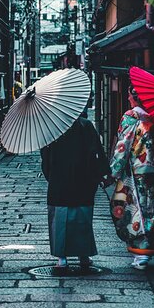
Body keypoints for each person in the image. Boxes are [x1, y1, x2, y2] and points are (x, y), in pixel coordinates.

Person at [41, 109, 110, 268]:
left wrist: (51, 176)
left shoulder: (52, 128)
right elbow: (96, 153)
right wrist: (100, 175)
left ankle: (62, 259)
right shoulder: (85, 125)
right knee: (82, 218)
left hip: (59, 182)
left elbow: (45, 157)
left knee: (60, 218)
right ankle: (83, 256)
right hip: (83, 180)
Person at [109, 85, 154, 270]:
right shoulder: (153, 117)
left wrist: (114, 170)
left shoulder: (131, 117)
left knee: (134, 210)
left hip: (135, 170)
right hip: (153, 170)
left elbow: (123, 145)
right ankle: (145, 250)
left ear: (133, 98)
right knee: (150, 209)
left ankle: (140, 253)